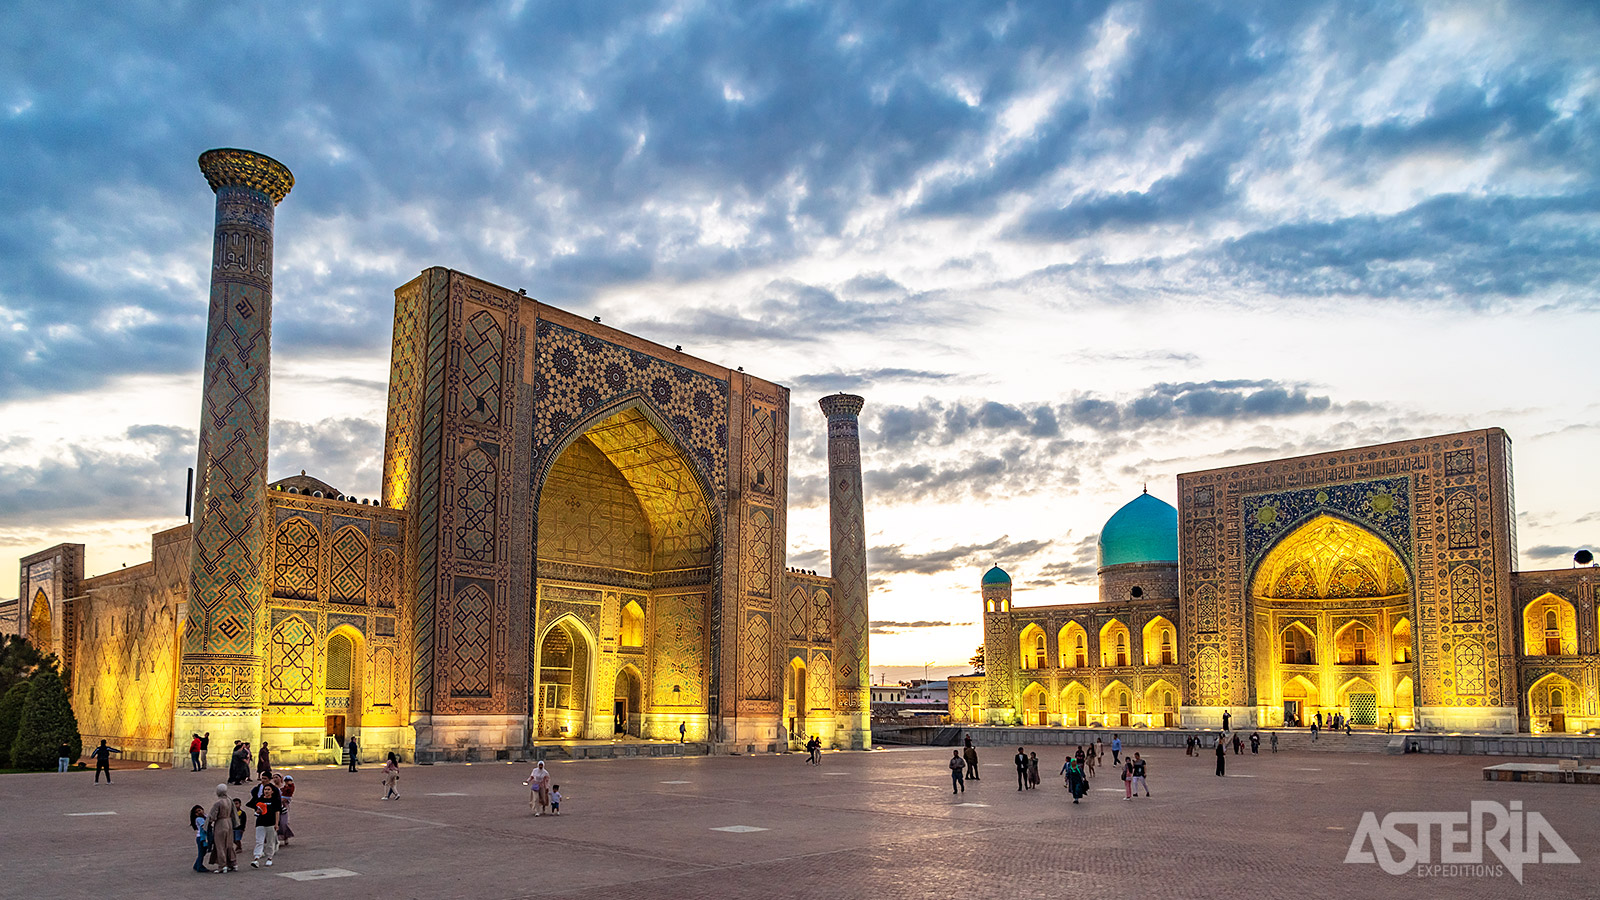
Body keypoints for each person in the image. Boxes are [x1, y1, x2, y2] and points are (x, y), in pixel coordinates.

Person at [248, 775, 283, 868]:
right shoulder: (260, 799)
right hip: (260, 822)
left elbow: (277, 812)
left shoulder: (275, 800)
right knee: (259, 841)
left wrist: (276, 824)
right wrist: (258, 811)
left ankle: (269, 858)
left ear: (272, 791)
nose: (266, 791)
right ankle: (256, 858)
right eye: (265, 790)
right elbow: (257, 809)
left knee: (270, 841)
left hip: (271, 823)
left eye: (268, 789)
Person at [206, 784, 237, 873]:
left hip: (221, 823)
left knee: (220, 845)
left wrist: (208, 823)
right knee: (229, 844)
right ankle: (233, 863)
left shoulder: (218, 803)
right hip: (229, 822)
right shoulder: (229, 800)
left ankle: (222, 865)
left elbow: (212, 816)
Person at [275, 774, 295, 846]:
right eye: (273, 777)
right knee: (276, 823)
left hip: (284, 807)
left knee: (284, 823)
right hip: (275, 807)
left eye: (276, 777)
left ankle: (286, 836)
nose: (275, 779)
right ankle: (276, 839)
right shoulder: (272, 788)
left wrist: (283, 800)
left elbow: (289, 797)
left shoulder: (286, 787)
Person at [190, 804, 211, 873]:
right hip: (201, 838)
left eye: (199, 810)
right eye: (197, 812)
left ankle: (197, 865)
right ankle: (199, 866)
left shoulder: (205, 816)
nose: (199, 812)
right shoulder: (199, 819)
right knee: (201, 853)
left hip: (204, 837)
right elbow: (204, 826)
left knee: (203, 852)